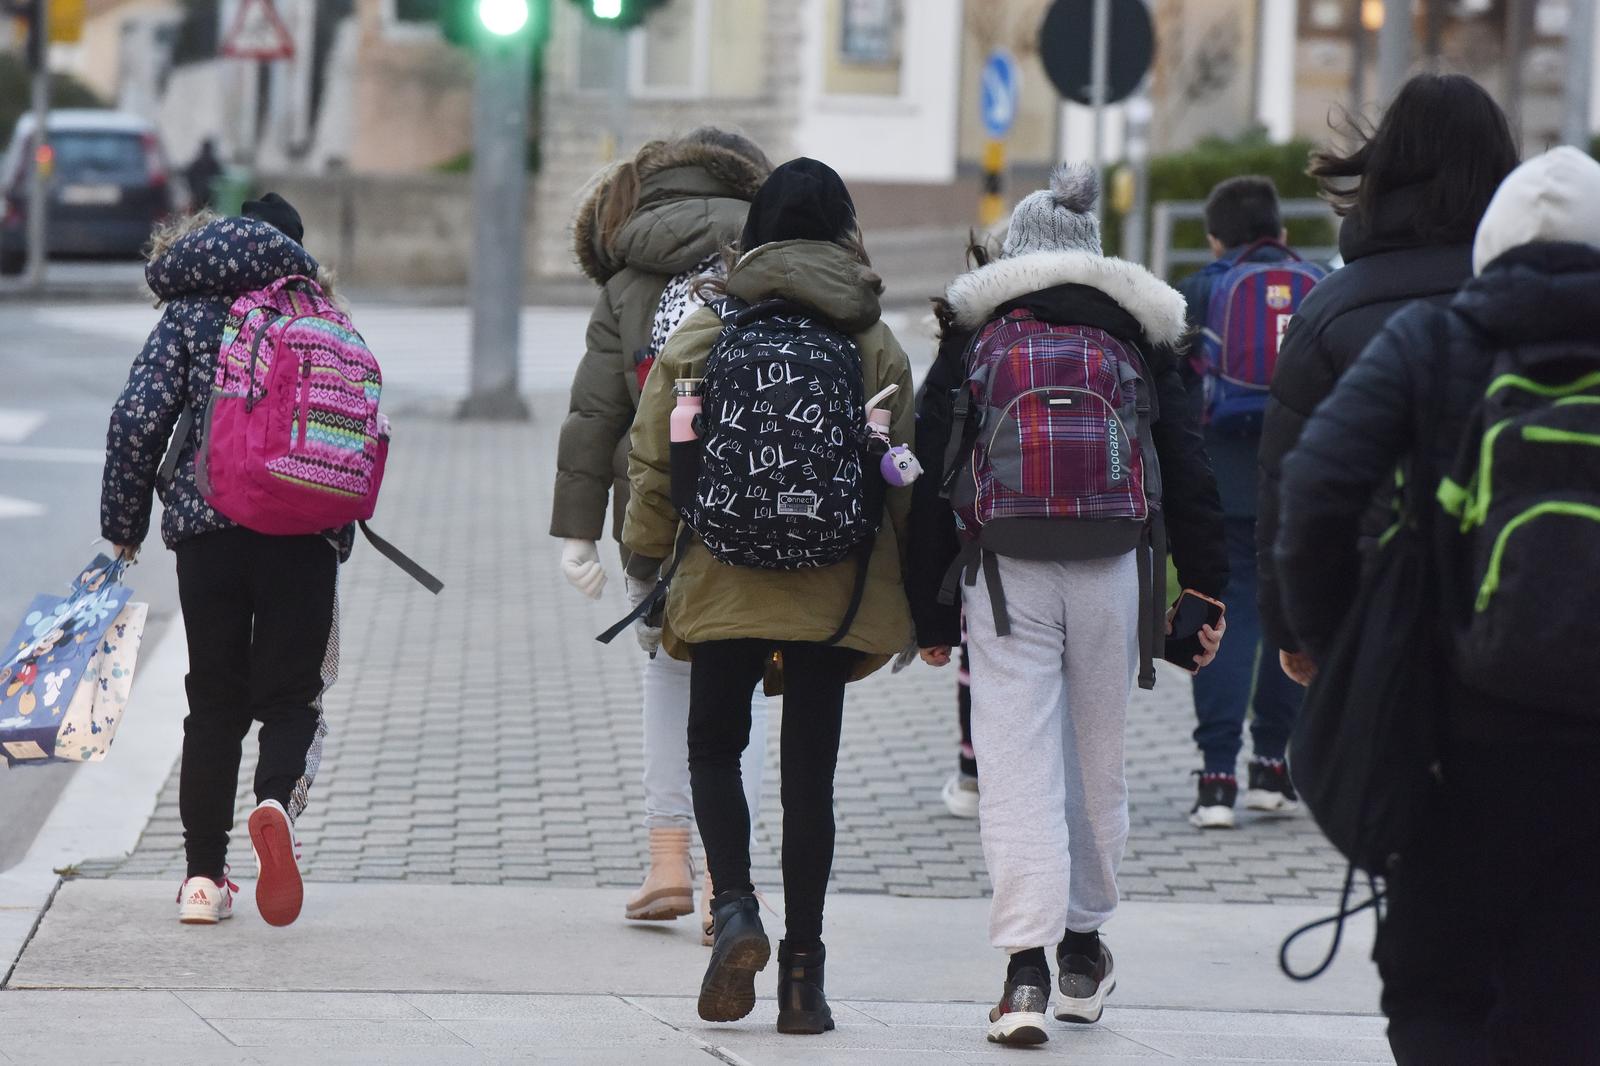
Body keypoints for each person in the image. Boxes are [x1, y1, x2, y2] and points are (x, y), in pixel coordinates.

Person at [1274, 146, 1600, 1066]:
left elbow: (1316, 489)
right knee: (1570, 1000)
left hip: (1463, 732)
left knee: (1433, 989)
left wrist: (1340, 643)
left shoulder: (1436, 341)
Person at [910, 165, 1228, 1046]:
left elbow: (934, 471)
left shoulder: (978, 334)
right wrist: (1204, 589)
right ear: (1095, 253)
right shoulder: (1139, 333)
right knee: (1097, 761)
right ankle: (1084, 951)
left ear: (1012, 252)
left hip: (1003, 574)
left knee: (1014, 766)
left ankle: (1024, 974)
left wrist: (929, 613)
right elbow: (1187, 463)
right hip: (1112, 567)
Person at [622, 157, 915, 1034]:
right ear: (845, 232)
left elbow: (651, 460)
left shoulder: (708, 327)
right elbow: (906, 479)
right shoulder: (872, 337)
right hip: (834, 589)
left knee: (714, 747)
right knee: (808, 782)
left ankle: (736, 908)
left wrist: (645, 562)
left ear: (755, 234)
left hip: (723, 576)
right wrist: (920, 606)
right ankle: (803, 982)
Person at [551, 128, 773, 934]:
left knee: (667, 676)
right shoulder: (774, 252)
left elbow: (595, 413)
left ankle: (669, 863)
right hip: (760, 498)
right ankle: (726, 882)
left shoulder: (630, 275)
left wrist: (577, 533)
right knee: (742, 689)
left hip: (656, 507)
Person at [100, 196, 340, 928]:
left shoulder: (190, 312)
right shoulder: (317, 311)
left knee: (213, 704)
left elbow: (137, 418)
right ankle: (275, 805)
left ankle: (203, 880)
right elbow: (351, 429)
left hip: (209, 531)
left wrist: (124, 527)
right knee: (292, 699)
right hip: (302, 532)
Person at [1258, 73, 1519, 684]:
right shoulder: (1540, 299)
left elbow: (1287, 480)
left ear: (1387, 164)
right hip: (1524, 609)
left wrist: (1292, 628)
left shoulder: (1330, 309)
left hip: (1373, 626)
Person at [1176, 176, 1321, 828]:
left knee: (1220, 616)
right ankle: (1271, 768)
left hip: (1220, 480)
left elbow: (1172, 389)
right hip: (1301, 479)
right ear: (1281, 233)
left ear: (1215, 238)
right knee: (1289, 614)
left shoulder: (1199, 290)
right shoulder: (1320, 285)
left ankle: (1215, 781)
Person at [185, 139, 224, 211]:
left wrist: (193, 189)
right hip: (210, 194)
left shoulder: (197, 162)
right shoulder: (213, 163)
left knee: (199, 213)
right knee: (210, 212)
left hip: (199, 194)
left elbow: (188, 175)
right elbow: (221, 177)